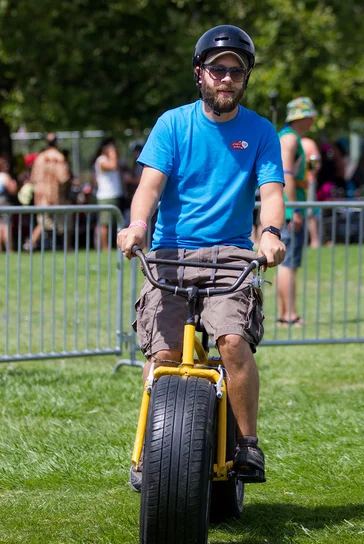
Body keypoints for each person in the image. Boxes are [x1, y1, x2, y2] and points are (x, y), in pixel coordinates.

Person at [117, 24, 286, 483]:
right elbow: (148, 188)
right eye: (217, 69)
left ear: (245, 77)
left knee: (232, 341)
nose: (226, 78)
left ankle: (248, 444)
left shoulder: (260, 131)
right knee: (165, 354)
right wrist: (137, 225)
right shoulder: (174, 123)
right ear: (200, 74)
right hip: (171, 253)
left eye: (236, 70)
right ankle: (148, 455)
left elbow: (270, 192)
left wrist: (269, 232)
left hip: (231, 254)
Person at [276, 97, 317, 326]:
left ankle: (285, 314)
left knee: (287, 262)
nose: (312, 120)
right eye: (309, 116)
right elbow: (286, 174)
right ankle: (288, 314)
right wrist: (294, 209)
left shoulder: (290, 138)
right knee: (288, 263)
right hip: (289, 209)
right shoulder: (290, 139)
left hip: (287, 207)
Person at [27, 133, 71, 251]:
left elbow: (33, 178)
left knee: (42, 223)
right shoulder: (59, 158)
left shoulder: (39, 158)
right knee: (64, 224)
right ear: (56, 143)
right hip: (57, 196)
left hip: (41, 197)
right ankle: (68, 248)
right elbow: (63, 178)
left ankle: (29, 244)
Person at [93, 138, 124, 250]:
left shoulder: (114, 159)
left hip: (115, 194)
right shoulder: (101, 160)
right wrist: (112, 153)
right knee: (104, 223)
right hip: (105, 196)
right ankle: (105, 247)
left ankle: (117, 245)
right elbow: (113, 166)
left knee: (117, 222)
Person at [301, 136, 321, 248]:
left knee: (310, 212)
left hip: (308, 182)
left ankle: (314, 240)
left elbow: (315, 165)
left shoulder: (308, 143)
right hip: (293, 182)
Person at [0, 157, 18, 252]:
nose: (7, 166)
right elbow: (12, 190)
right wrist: (14, 185)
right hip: (4, 203)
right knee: (6, 227)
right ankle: (9, 250)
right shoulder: (4, 176)